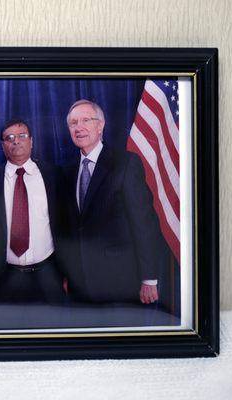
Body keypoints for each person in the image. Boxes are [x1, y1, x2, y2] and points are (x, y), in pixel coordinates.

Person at [64, 99, 165, 305]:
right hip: (79, 286)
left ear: (100, 125)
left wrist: (149, 278)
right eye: (73, 123)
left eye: (86, 120)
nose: (79, 127)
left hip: (119, 284)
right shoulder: (67, 171)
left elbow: (144, 224)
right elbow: (69, 229)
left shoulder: (126, 163)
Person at [0, 119, 65, 304]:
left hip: (48, 273)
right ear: (2, 146)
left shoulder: (53, 175)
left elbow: (66, 225)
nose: (16, 141)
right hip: (4, 276)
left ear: (32, 141)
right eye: (9, 138)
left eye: (22, 136)